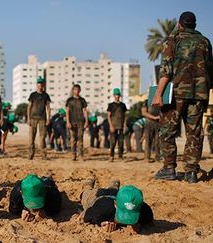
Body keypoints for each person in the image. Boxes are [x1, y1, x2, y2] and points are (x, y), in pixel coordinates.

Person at [152, 12, 213, 183]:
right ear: (194, 25)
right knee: (195, 132)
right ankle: (191, 172)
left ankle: (169, 168)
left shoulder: (172, 41)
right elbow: (210, 69)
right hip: (199, 93)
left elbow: (166, 70)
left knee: (167, 131)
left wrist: (158, 94)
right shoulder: (205, 42)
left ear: (179, 24)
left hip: (176, 93)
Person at [80, 179, 153, 234]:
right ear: (115, 204)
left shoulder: (144, 210)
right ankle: (88, 184)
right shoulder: (102, 210)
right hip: (98, 196)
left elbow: (149, 219)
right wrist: (101, 222)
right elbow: (86, 216)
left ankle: (114, 185)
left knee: (114, 191)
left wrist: (139, 224)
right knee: (86, 194)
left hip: (116, 194)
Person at [27, 77, 51, 160]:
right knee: (31, 138)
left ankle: (43, 155)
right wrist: (28, 118)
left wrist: (48, 119)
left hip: (42, 119)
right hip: (33, 119)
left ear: (43, 85)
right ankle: (30, 155)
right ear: (37, 85)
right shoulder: (32, 95)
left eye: (41, 83)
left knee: (42, 138)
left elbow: (48, 107)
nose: (40, 85)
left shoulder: (46, 95)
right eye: (38, 83)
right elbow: (29, 107)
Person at [66, 84, 89, 161]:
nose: (76, 91)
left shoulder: (82, 100)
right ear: (73, 90)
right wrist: (68, 122)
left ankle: (81, 155)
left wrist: (86, 121)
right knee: (73, 140)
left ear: (80, 90)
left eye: (78, 90)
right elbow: (67, 111)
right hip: (72, 122)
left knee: (80, 140)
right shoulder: (69, 100)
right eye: (75, 89)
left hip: (80, 122)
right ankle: (73, 155)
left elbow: (85, 111)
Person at [107, 88, 127, 162]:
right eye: (116, 95)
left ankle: (120, 156)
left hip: (121, 126)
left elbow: (125, 116)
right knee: (113, 142)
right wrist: (111, 126)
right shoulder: (111, 105)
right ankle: (111, 156)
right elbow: (108, 116)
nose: (117, 96)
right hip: (113, 126)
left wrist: (125, 126)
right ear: (113, 95)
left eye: (118, 95)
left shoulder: (123, 105)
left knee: (121, 142)